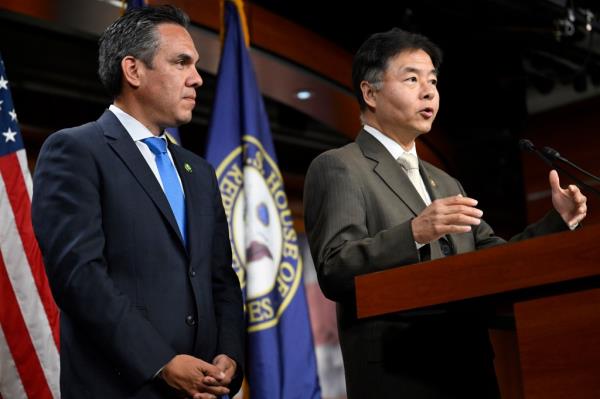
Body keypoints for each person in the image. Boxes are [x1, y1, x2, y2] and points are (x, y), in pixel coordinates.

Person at [303, 28, 587, 399]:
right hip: (400, 372)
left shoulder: (445, 180)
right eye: (412, 79)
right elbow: (335, 269)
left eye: (433, 81)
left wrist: (557, 221)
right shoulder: (339, 167)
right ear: (370, 93)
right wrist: (415, 233)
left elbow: (493, 259)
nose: (429, 92)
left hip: (469, 367)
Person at [31, 6, 244, 399]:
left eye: (195, 65)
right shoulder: (75, 151)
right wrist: (162, 362)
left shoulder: (200, 171)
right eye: (182, 62)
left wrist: (229, 353)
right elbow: (80, 279)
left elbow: (220, 278)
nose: (197, 79)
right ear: (133, 70)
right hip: (123, 387)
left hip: (205, 389)